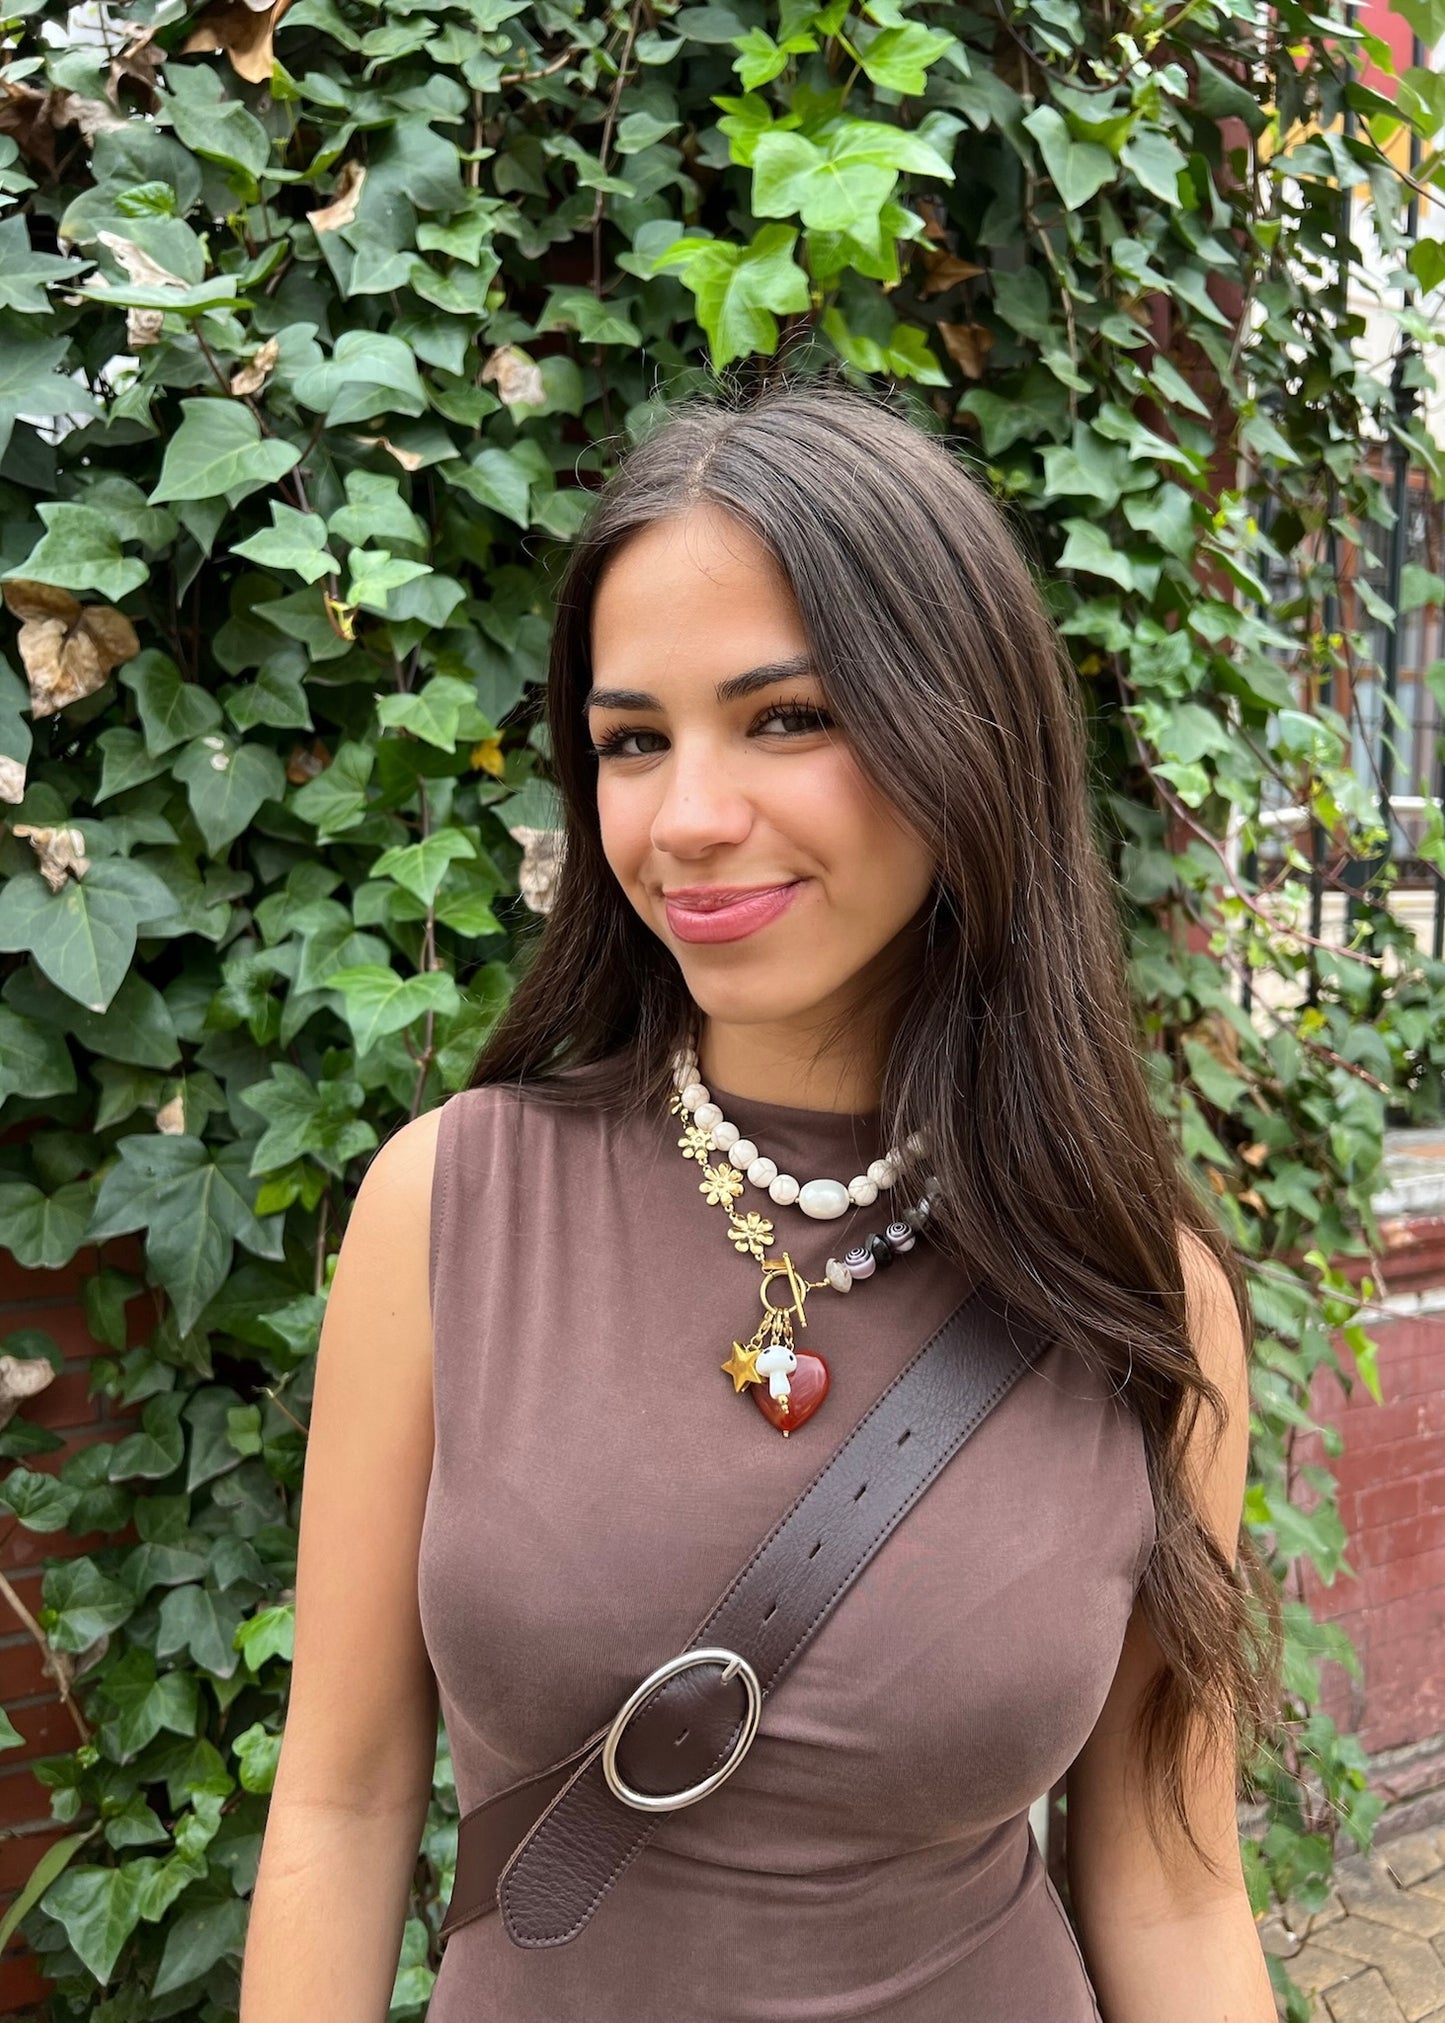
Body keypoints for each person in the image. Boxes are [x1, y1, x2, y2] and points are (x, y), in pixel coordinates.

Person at [239, 377, 1282, 2022]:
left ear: (964, 733)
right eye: (631, 742)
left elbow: (1172, 1887)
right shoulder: (450, 1206)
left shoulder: (1138, 1297)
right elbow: (344, 1801)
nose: (687, 821)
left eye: (785, 718)